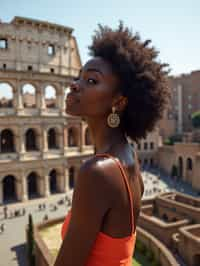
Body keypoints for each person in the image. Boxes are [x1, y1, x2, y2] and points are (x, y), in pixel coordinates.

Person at [54, 22, 170, 266]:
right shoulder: (127, 156)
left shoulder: (97, 172)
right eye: (79, 77)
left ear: (118, 102)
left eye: (92, 81)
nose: (75, 85)